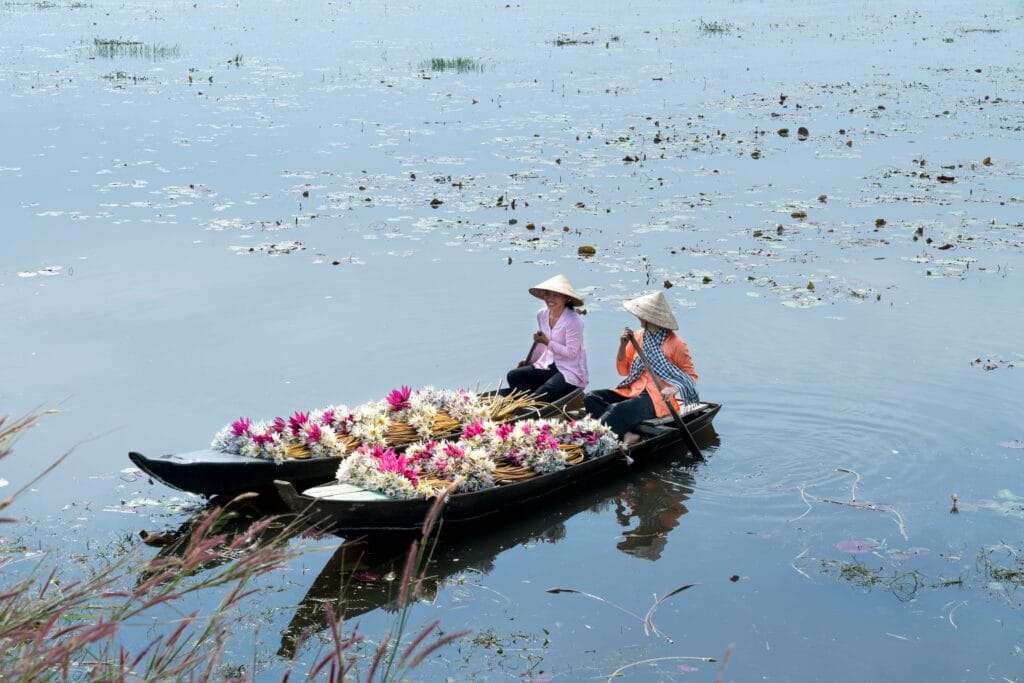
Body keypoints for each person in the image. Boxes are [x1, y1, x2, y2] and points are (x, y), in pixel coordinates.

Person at [584, 291, 699, 445]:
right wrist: (623, 344)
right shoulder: (638, 337)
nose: (638, 317)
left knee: (618, 410)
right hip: (633, 390)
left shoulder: (676, 344)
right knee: (591, 398)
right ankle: (629, 432)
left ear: (650, 318)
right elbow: (623, 371)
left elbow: (691, 377)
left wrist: (672, 389)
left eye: (641, 315)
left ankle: (591, 440)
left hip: (657, 398)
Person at [504, 274, 588, 402]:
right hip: (547, 365)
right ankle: (527, 402)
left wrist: (547, 342)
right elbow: (541, 346)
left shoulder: (574, 321)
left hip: (568, 370)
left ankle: (532, 402)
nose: (550, 299)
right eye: (548, 294)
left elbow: (571, 353)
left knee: (541, 395)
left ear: (566, 298)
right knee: (513, 375)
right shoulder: (542, 315)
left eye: (555, 295)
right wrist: (530, 362)